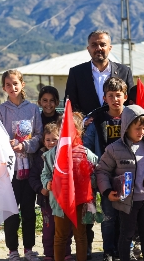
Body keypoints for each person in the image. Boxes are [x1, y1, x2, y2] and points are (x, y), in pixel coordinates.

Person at [95, 105, 144, 261]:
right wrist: (106, 191)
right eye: (137, 128)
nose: (141, 132)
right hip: (128, 202)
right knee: (127, 234)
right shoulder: (114, 149)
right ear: (126, 127)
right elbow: (102, 170)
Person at [0, 69, 44, 261]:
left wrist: (25, 145)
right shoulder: (0, 111)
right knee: (11, 212)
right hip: (9, 172)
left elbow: (39, 136)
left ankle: (29, 249)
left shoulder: (32, 109)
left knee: (29, 212)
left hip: (29, 169)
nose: (12, 87)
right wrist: (6, 146)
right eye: (8, 84)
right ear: (3, 88)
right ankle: (12, 250)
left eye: (15, 83)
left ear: (22, 84)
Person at [82, 77, 128, 261]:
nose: (115, 99)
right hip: (105, 176)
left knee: (126, 216)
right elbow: (87, 147)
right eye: (111, 96)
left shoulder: (131, 116)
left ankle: (124, 249)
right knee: (109, 215)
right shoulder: (97, 120)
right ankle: (109, 250)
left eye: (118, 95)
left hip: (128, 174)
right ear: (105, 98)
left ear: (125, 96)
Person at [42, 112, 99, 261]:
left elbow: (96, 174)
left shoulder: (86, 154)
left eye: (70, 129)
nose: (65, 133)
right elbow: (45, 174)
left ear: (78, 131)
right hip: (60, 202)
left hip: (80, 202)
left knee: (80, 236)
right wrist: (47, 183)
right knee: (60, 236)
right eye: (62, 129)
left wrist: (89, 180)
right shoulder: (51, 155)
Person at [30, 123, 73, 261]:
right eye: (48, 140)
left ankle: (65, 253)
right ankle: (49, 254)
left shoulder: (64, 155)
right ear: (43, 140)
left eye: (54, 139)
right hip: (46, 201)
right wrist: (41, 189)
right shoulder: (40, 157)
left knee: (65, 228)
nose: (51, 142)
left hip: (62, 201)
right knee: (49, 230)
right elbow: (33, 177)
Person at [66, 30, 134, 116]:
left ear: (110, 48)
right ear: (88, 49)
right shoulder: (76, 73)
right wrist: (82, 121)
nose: (98, 48)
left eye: (103, 45)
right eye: (94, 45)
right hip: (87, 127)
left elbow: (131, 102)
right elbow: (70, 104)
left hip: (118, 126)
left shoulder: (125, 71)